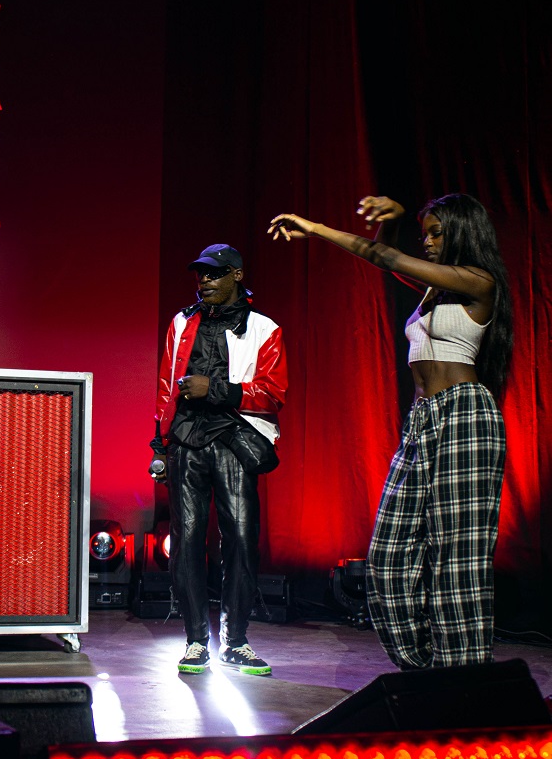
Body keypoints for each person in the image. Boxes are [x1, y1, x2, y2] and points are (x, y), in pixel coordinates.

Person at [268, 193, 512, 669]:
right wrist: (386, 225)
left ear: (463, 232)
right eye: (425, 233)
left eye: (437, 232)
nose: (429, 241)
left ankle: (462, 681)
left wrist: (320, 228)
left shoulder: (478, 281)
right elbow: (382, 255)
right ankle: (426, 669)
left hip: (465, 415)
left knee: (457, 559)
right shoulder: (433, 290)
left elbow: (387, 257)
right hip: (423, 419)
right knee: (389, 553)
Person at [152, 244, 287, 676]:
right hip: (186, 439)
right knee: (187, 541)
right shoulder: (181, 322)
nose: (204, 281)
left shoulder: (264, 328)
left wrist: (215, 389)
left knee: (242, 540)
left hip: (234, 440)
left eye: (214, 274)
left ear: (237, 275)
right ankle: (195, 641)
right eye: (201, 274)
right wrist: (159, 447)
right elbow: (165, 389)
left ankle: (236, 641)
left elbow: (274, 394)